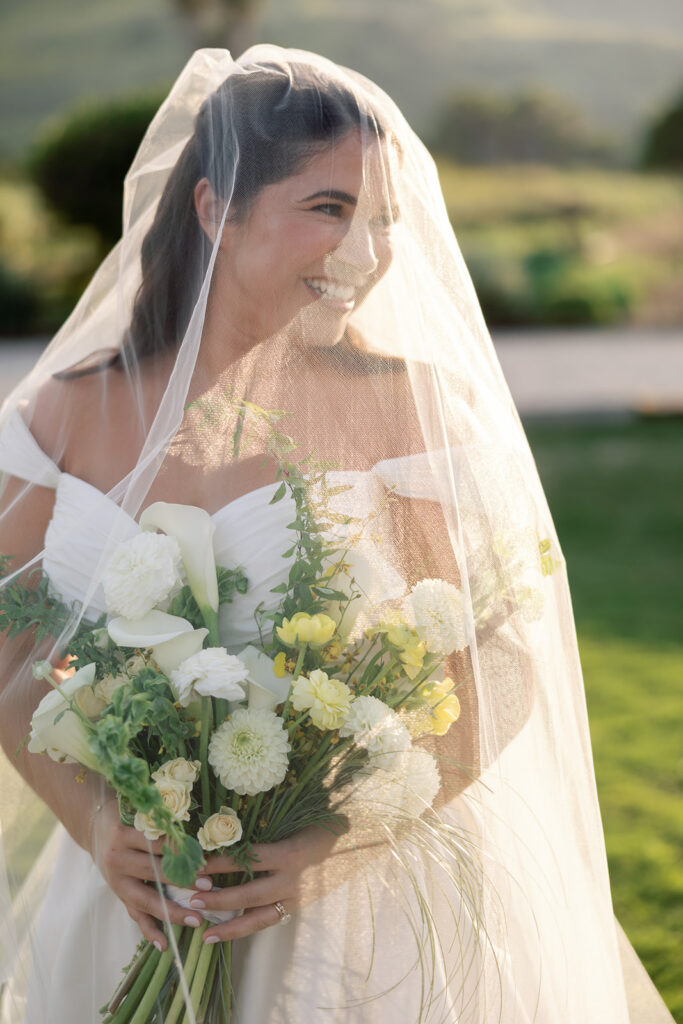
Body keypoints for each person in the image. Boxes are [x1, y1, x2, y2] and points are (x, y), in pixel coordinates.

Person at [0, 47, 674, 1023]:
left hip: (359, 928)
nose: (367, 254)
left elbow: (501, 659)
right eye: (329, 209)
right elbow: (15, 645)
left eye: (386, 222)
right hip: (130, 907)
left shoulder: (411, 412)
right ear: (213, 208)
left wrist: (333, 839)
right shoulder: (61, 417)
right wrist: (99, 822)